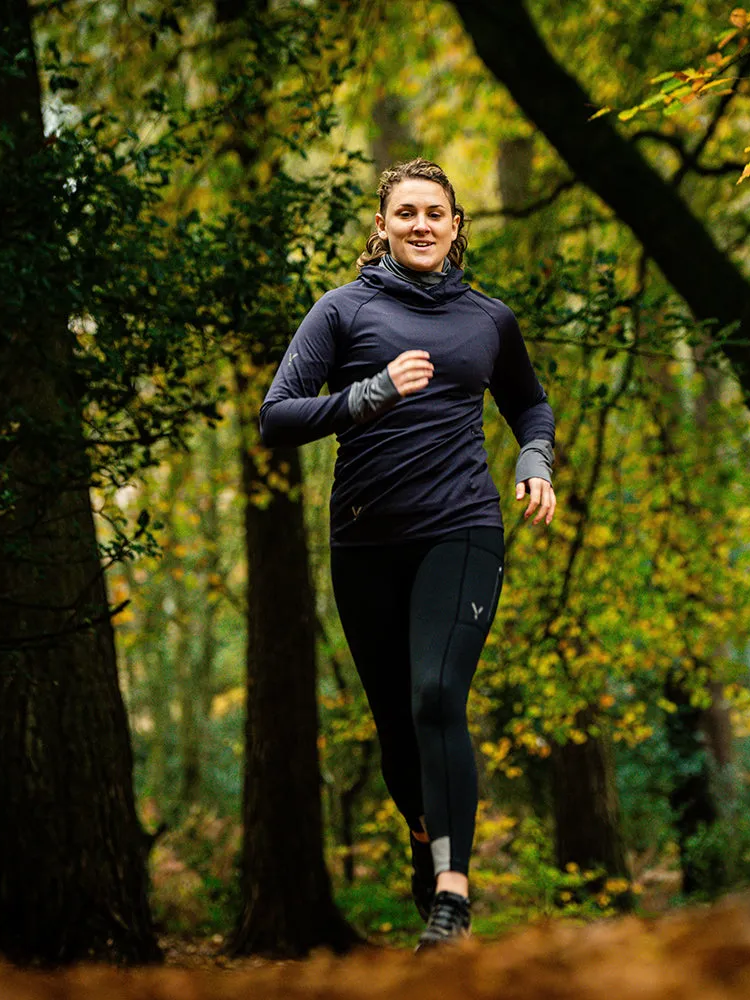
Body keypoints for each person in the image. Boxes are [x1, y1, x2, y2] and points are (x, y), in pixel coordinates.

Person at [259, 158, 556, 950]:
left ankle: (453, 895)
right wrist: (368, 394)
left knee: (434, 696)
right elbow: (277, 416)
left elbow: (528, 402)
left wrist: (535, 461)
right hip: (364, 541)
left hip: (461, 528)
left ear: (457, 227)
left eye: (436, 212)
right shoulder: (342, 311)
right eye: (406, 213)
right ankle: (427, 841)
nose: (421, 224)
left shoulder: (488, 320)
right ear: (382, 226)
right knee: (397, 726)